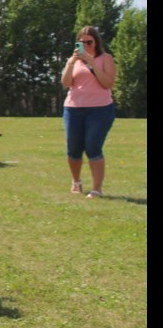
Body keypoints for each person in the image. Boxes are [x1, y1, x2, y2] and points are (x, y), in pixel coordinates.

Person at [61, 25, 117, 198]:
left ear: (96, 42)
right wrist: (71, 63)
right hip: (73, 108)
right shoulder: (73, 60)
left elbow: (108, 83)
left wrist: (92, 63)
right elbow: (66, 83)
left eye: (89, 42)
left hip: (100, 110)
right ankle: (76, 182)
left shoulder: (105, 58)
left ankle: (96, 189)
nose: (85, 45)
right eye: (81, 42)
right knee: (74, 148)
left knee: (93, 146)